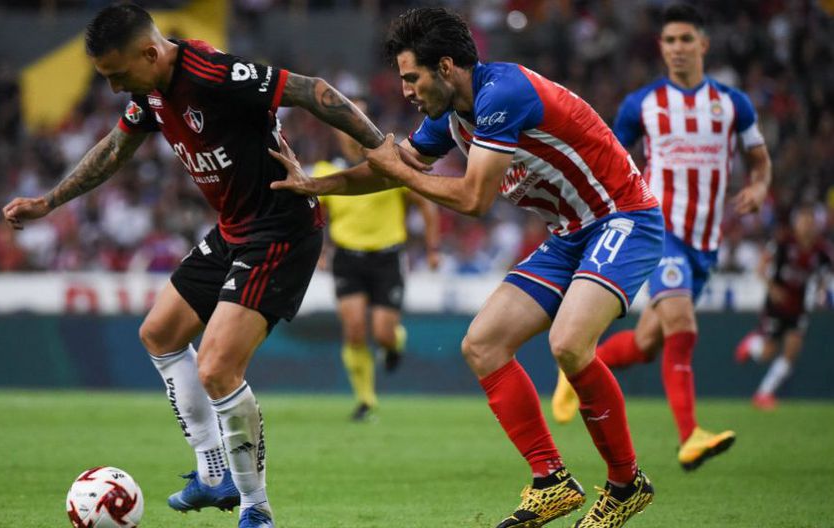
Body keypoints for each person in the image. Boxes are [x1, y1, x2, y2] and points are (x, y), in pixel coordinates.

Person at [0, 4, 425, 528]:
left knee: (218, 368)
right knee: (159, 334)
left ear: (149, 53)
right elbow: (114, 148)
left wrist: (380, 146)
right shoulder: (149, 90)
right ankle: (213, 471)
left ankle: (256, 508)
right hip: (233, 231)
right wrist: (49, 201)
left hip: (281, 229)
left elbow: (313, 90)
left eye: (117, 74)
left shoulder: (212, 74)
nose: (113, 88)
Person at [271, 7, 663, 527]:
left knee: (569, 344)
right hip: (571, 234)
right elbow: (391, 169)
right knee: (483, 344)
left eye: (412, 77)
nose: (406, 90)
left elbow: (474, 199)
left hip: (624, 218)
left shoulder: (503, 94)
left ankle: (626, 485)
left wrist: (399, 173)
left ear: (446, 67)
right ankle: (550, 481)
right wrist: (315, 185)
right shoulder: (450, 115)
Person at [551, 3, 772, 472]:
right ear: (661, 47)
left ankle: (577, 367)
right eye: (669, 40)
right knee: (682, 325)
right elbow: (608, 157)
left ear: (703, 44)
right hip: (659, 231)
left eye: (685, 39)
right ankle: (690, 436)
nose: (677, 48)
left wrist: (758, 187)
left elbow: (758, 158)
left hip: (704, 243)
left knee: (648, 342)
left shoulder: (734, 104)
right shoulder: (642, 105)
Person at [312, 100, 440, 421]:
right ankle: (366, 400)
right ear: (337, 131)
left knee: (383, 333)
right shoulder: (326, 171)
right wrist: (320, 251)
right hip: (347, 257)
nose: (350, 128)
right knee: (354, 330)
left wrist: (432, 249)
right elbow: (316, 218)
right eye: (344, 121)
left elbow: (425, 204)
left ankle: (394, 343)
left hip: (387, 256)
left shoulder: (392, 164)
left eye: (358, 118)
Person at [735, 205, 833, 409]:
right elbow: (761, 267)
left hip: (799, 307)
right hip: (777, 306)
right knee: (767, 353)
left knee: (792, 351)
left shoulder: (821, 251)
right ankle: (751, 344)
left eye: (810, 222)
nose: (807, 226)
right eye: (803, 221)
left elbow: (824, 276)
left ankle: (763, 394)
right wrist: (773, 289)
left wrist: (821, 291)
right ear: (796, 224)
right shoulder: (783, 243)